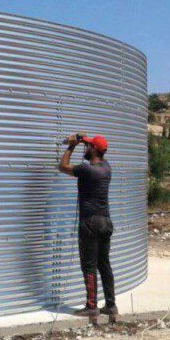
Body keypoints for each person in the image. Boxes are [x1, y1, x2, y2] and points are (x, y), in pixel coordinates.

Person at [58, 133, 118, 323]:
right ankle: (110, 305)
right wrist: (86, 140)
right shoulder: (106, 168)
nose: (86, 148)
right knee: (104, 264)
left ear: (94, 150)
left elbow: (62, 166)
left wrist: (72, 146)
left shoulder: (86, 170)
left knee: (89, 266)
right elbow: (97, 151)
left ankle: (91, 307)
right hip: (106, 222)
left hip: (90, 223)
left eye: (89, 147)